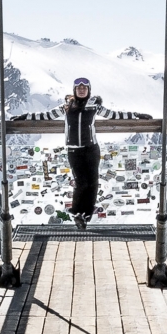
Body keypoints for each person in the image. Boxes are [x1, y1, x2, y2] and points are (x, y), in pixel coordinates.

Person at [62, 78, 103, 227]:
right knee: (81, 182)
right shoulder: (66, 106)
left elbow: (114, 114)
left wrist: (137, 115)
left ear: (88, 90)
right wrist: (24, 118)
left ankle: (85, 216)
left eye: (84, 88)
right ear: (74, 90)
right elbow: (47, 115)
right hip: (74, 150)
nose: (81, 90)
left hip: (92, 149)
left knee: (92, 183)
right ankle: (77, 213)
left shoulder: (94, 106)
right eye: (78, 88)